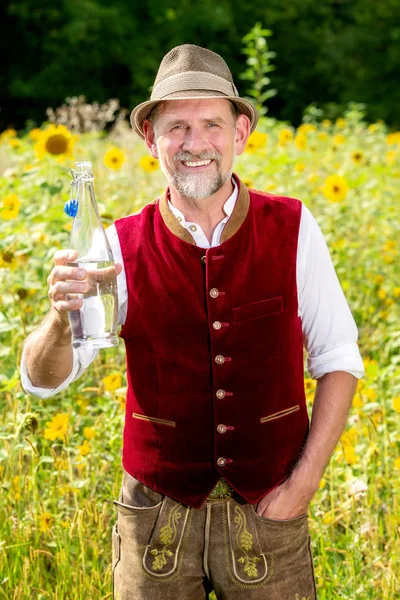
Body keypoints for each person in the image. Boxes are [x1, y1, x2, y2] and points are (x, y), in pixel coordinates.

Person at [21, 44, 364, 600]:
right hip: (154, 523)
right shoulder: (114, 248)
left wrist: (302, 486)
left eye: (211, 123)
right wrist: (59, 319)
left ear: (241, 132)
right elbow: (42, 381)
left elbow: (339, 359)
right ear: (151, 139)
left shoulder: (294, 227)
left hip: (269, 516)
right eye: (176, 126)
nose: (195, 143)